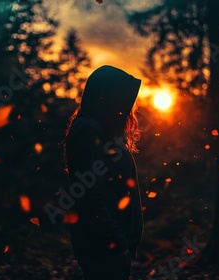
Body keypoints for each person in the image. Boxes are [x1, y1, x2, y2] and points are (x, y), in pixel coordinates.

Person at [63, 65, 144, 280]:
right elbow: (88, 194)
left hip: (109, 245)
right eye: (122, 99)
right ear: (107, 97)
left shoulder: (98, 129)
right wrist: (115, 241)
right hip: (103, 247)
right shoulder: (88, 130)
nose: (128, 108)